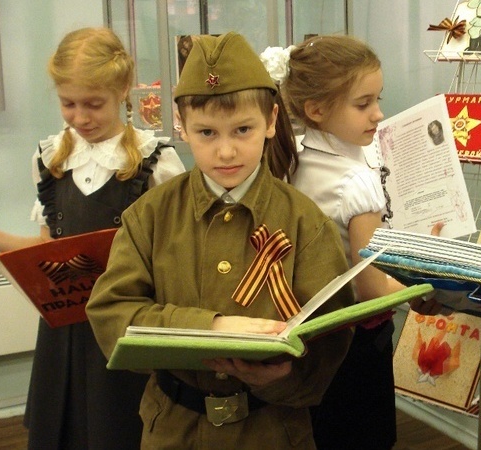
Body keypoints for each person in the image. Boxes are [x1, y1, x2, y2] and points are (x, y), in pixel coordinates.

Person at [85, 32, 354, 449]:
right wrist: (210, 328)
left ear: (271, 121)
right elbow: (112, 312)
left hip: (272, 432)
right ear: (182, 126)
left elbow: (332, 333)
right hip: (174, 431)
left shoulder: (305, 222)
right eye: (207, 132)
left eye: (242, 129)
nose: (226, 151)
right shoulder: (150, 216)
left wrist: (285, 375)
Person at [0, 27, 186, 449]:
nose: (80, 118)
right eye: (68, 104)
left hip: (125, 328)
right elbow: (48, 249)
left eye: (93, 104)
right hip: (63, 330)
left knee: (120, 431)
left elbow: (176, 257)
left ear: (122, 90)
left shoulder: (156, 162)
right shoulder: (51, 158)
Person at [272, 34, 405, 450]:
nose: (378, 114)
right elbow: (372, 291)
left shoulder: (292, 159)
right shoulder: (356, 182)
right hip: (356, 347)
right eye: (363, 104)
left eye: (378, 99)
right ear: (316, 110)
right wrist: (422, 280)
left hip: (308, 339)